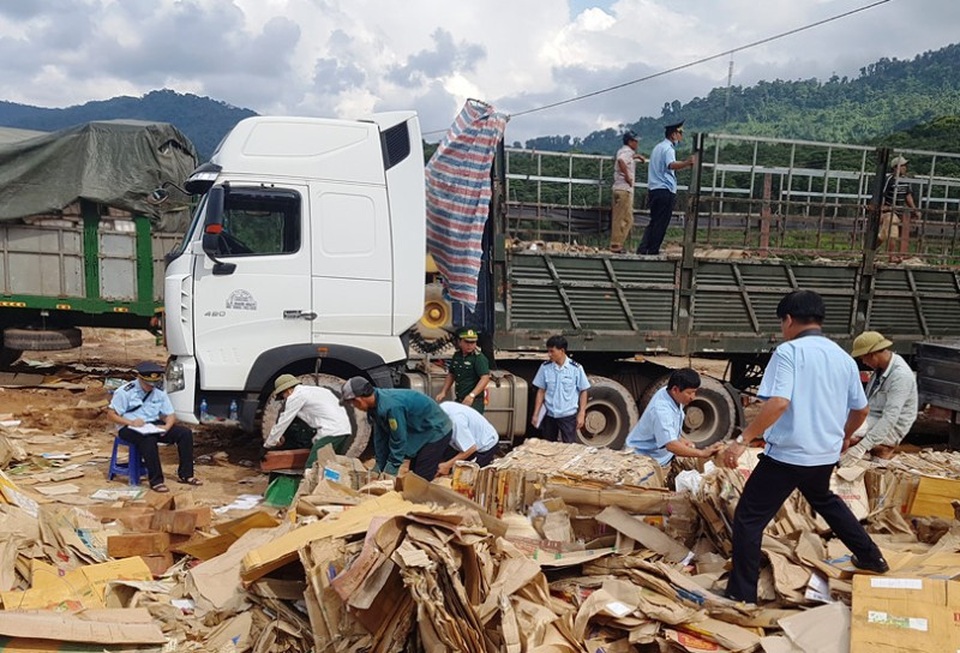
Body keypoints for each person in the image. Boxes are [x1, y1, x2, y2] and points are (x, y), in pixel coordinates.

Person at [720, 290, 888, 604]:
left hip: (787, 455)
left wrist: (742, 440)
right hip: (823, 455)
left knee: (749, 518)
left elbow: (779, 402)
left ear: (788, 320)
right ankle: (872, 557)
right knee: (825, 499)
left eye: (781, 323)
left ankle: (741, 594)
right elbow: (862, 410)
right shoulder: (842, 357)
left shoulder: (789, 352)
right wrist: (844, 436)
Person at [107, 361, 201, 493]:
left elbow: (170, 414)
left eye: (153, 383)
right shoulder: (125, 392)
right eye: (147, 384)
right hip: (128, 427)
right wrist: (130, 422)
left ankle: (186, 475)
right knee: (148, 439)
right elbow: (111, 415)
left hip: (152, 425)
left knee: (184, 433)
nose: (150, 387)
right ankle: (156, 481)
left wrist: (167, 427)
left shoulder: (159, 392)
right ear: (140, 378)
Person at [340, 377, 452, 482]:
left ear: (359, 400)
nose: (353, 406)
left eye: (352, 403)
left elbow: (398, 439)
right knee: (412, 475)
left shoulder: (391, 407)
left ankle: (423, 501)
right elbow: (380, 438)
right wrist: (379, 466)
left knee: (420, 478)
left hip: (436, 430)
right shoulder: (376, 405)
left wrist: (390, 469)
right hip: (420, 427)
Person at [842, 331, 918, 464]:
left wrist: (861, 447)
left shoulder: (900, 376)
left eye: (863, 358)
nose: (864, 363)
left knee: (844, 434)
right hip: (873, 419)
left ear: (872, 355)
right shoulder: (880, 370)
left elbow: (890, 418)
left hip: (891, 427)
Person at [626, 368, 723, 469]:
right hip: (645, 462)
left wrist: (680, 439)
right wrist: (702, 453)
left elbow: (665, 430)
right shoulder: (661, 410)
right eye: (689, 393)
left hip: (661, 457)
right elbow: (671, 445)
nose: (693, 397)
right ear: (675, 390)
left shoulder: (671, 394)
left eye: (695, 392)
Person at [265, 374, 353, 467]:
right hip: (345, 430)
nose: (285, 398)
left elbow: (284, 420)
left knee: (312, 467)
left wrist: (269, 443)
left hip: (331, 432)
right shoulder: (317, 390)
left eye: (283, 396)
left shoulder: (296, 396)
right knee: (332, 466)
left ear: (287, 390)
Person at [636, 120, 697, 255]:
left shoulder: (657, 148)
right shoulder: (668, 149)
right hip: (665, 190)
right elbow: (671, 165)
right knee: (661, 223)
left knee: (654, 220)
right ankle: (653, 249)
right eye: (680, 133)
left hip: (654, 189)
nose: (681, 137)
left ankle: (643, 248)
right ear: (674, 134)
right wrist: (687, 163)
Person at [531, 335, 591, 444]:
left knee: (568, 447)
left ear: (562, 351)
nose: (549, 354)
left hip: (567, 416)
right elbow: (541, 391)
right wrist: (536, 413)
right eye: (548, 351)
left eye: (552, 351)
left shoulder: (576, 368)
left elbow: (583, 391)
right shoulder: (545, 367)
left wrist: (582, 413)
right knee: (548, 447)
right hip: (550, 415)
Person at [435, 327, 491, 414]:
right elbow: (451, 374)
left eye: (473, 342)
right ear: (459, 342)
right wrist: (444, 391)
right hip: (460, 399)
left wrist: (472, 395)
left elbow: (485, 378)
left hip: (474, 401)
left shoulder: (478, 358)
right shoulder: (457, 356)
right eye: (467, 342)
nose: (470, 345)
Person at [436, 401, 499, 476]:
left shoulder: (456, 422)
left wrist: (447, 465)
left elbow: (470, 448)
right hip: (463, 441)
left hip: (483, 446)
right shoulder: (441, 408)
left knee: (466, 478)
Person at [610, 130, 647, 253]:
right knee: (626, 219)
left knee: (620, 217)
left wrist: (636, 156)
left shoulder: (624, 150)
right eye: (635, 141)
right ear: (630, 142)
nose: (637, 144)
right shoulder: (627, 152)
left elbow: (622, 158)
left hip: (618, 188)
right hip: (624, 189)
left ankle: (617, 244)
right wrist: (627, 177)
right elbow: (621, 160)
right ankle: (616, 245)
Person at [879, 156, 920, 254]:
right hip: (889, 211)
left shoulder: (906, 180)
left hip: (899, 211)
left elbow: (908, 196)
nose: (905, 168)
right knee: (893, 234)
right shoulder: (889, 179)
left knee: (883, 235)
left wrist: (915, 210)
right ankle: (891, 256)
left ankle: (869, 251)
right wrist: (880, 211)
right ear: (895, 167)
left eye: (905, 166)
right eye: (902, 166)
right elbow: (882, 194)